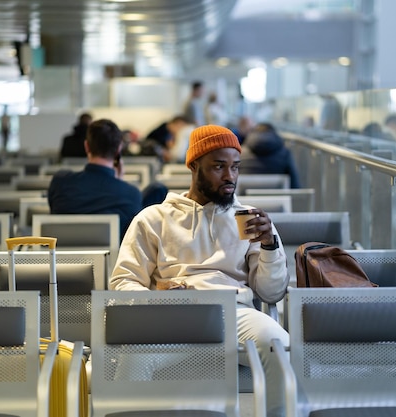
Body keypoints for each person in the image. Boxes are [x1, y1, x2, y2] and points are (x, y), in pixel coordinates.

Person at [110, 124, 290, 416]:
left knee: (280, 347)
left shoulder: (248, 221)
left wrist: (270, 244)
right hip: (173, 315)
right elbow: (122, 282)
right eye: (219, 166)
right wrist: (155, 296)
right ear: (194, 166)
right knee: (134, 359)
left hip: (235, 313)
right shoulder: (153, 218)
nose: (230, 176)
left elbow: (271, 292)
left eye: (235, 167)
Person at [48, 118, 145, 239]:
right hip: (111, 258)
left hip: (60, 258)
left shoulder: (60, 182)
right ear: (118, 149)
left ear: (87, 146)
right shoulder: (131, 194)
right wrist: (119, 184)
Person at [239, 122, 302, 188]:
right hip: (279, 196)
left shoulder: (241, 152)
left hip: (245, 196)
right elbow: (295, 184)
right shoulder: (285, 153)